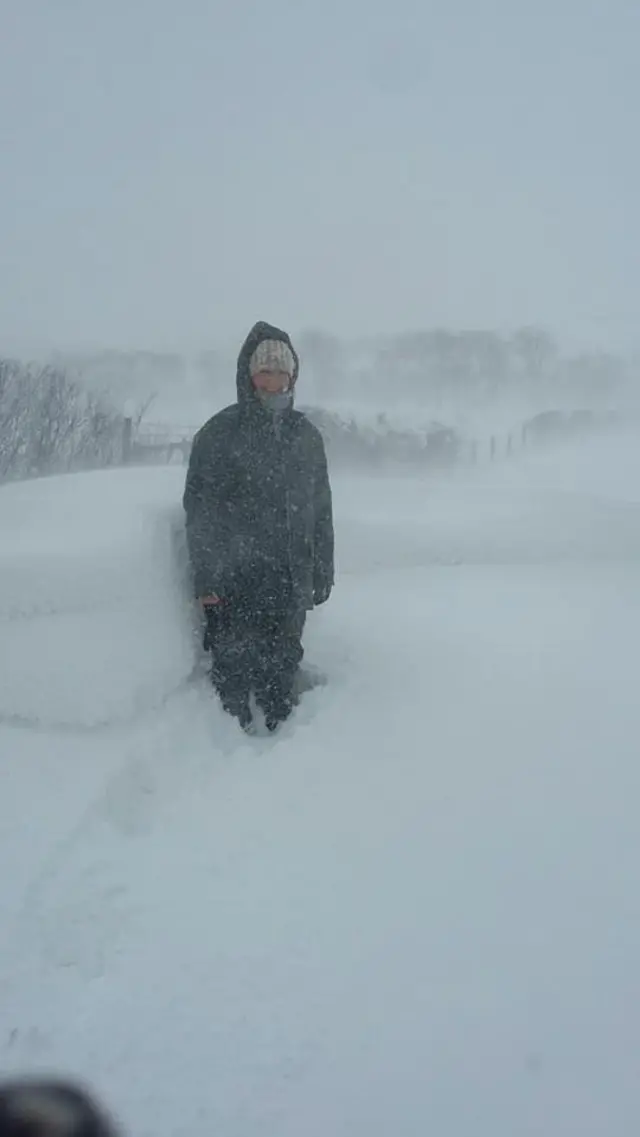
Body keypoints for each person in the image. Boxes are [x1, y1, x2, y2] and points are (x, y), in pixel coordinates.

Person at [183, 321, 334, 732]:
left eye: (281, 372)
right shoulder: (219, 434)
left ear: (293, 377)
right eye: (265, 371)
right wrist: (207, 579)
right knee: (232, 672)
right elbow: (201, 510)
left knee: (282, 668)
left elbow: (320, 509)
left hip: (288, 579)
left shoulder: (306, 437)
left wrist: (322, 569)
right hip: (235, 580)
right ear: (248, 375)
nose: (273, 381)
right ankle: (230, 748)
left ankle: (282, 750)